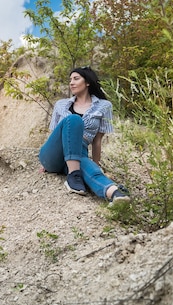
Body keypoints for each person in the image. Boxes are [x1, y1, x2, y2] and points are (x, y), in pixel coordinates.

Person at [38, 66, 130, 206]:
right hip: (55, 153)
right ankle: (73, 176)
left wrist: (96, 164)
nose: (71, 83)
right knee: (74, 120)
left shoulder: (104, 106)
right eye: (70, 80)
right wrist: (49, 157)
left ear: (87, 82)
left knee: (89, 167)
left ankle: (115, 194)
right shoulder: (61, 105)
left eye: (76, 79)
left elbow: (97, 141)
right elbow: (54, 134)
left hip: (79, 152)